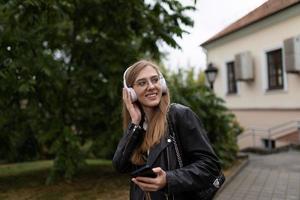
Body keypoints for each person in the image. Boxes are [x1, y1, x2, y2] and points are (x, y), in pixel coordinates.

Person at [112, 59, 224, 200]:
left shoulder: (179, 115)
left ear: (162, 84)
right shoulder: (138, 127)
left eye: (155, 80)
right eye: (142, 83)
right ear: (130, 92)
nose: (151, 86)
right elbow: (120, 166)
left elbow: (210, 166)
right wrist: (134, 123)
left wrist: (168, 179)